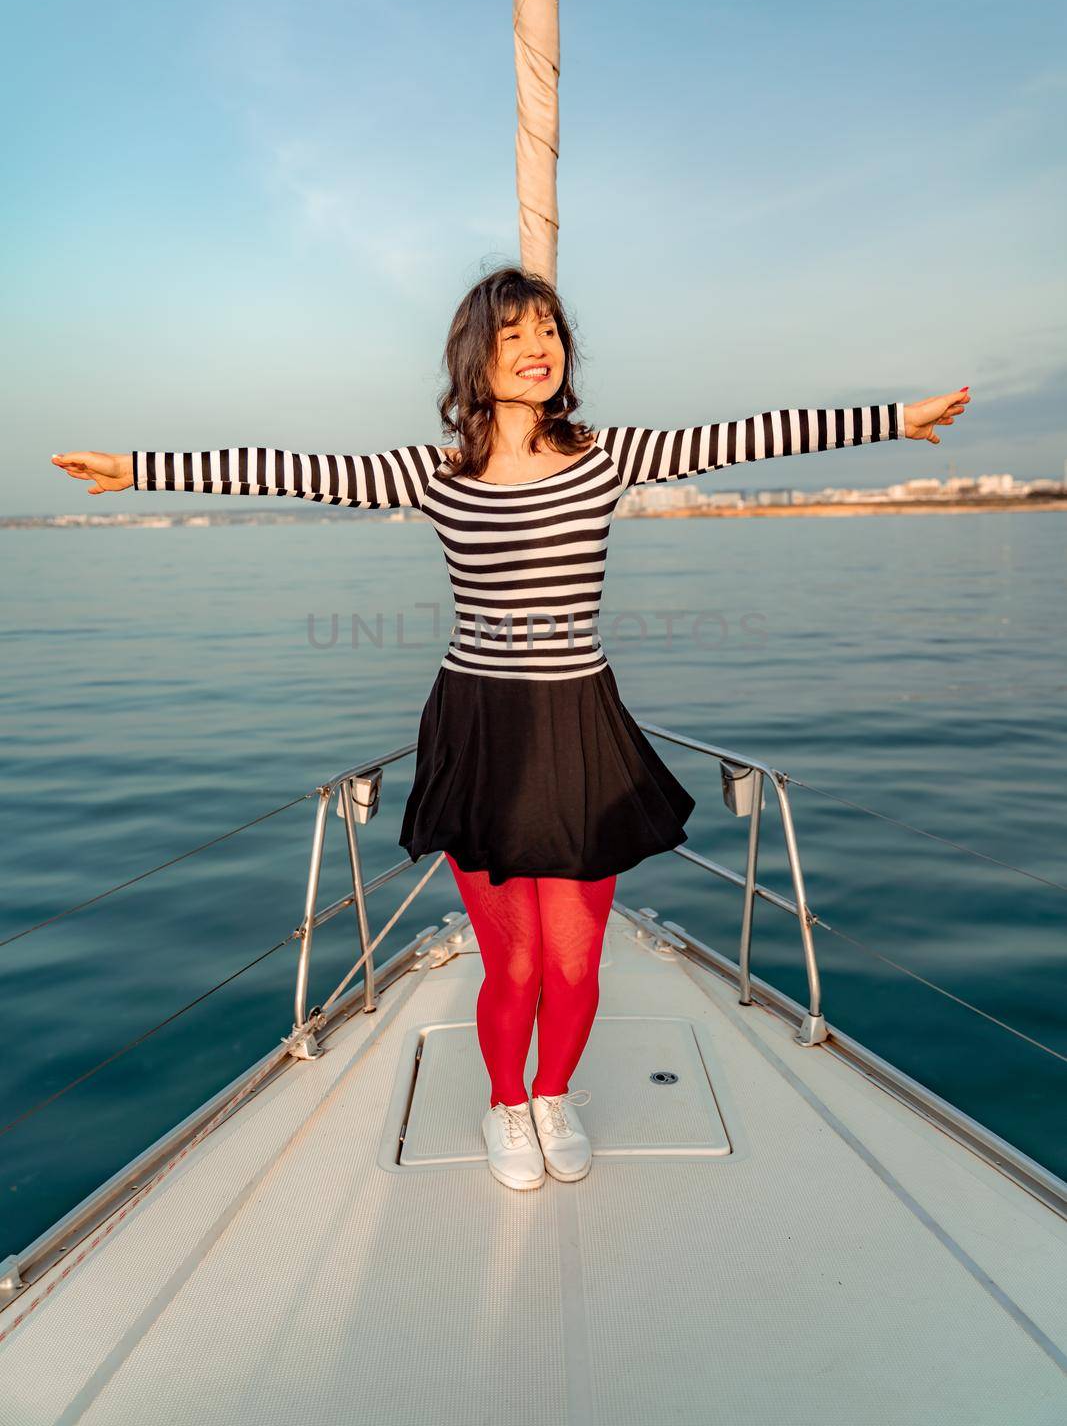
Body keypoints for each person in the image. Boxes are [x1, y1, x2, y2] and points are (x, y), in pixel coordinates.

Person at [51, 265, 970, 1192]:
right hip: (479, 730)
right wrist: (133, 469)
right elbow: (288, 471)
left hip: (578, 725)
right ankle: (504, 1104)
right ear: (474, 357)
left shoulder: (607, 457)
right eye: (511, 334)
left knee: (570, 964)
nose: (536, 348)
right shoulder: (431, 471)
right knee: (514, 961)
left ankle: (552, 1093)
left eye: (548, 331)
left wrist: (894, 419)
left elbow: (741, 439)